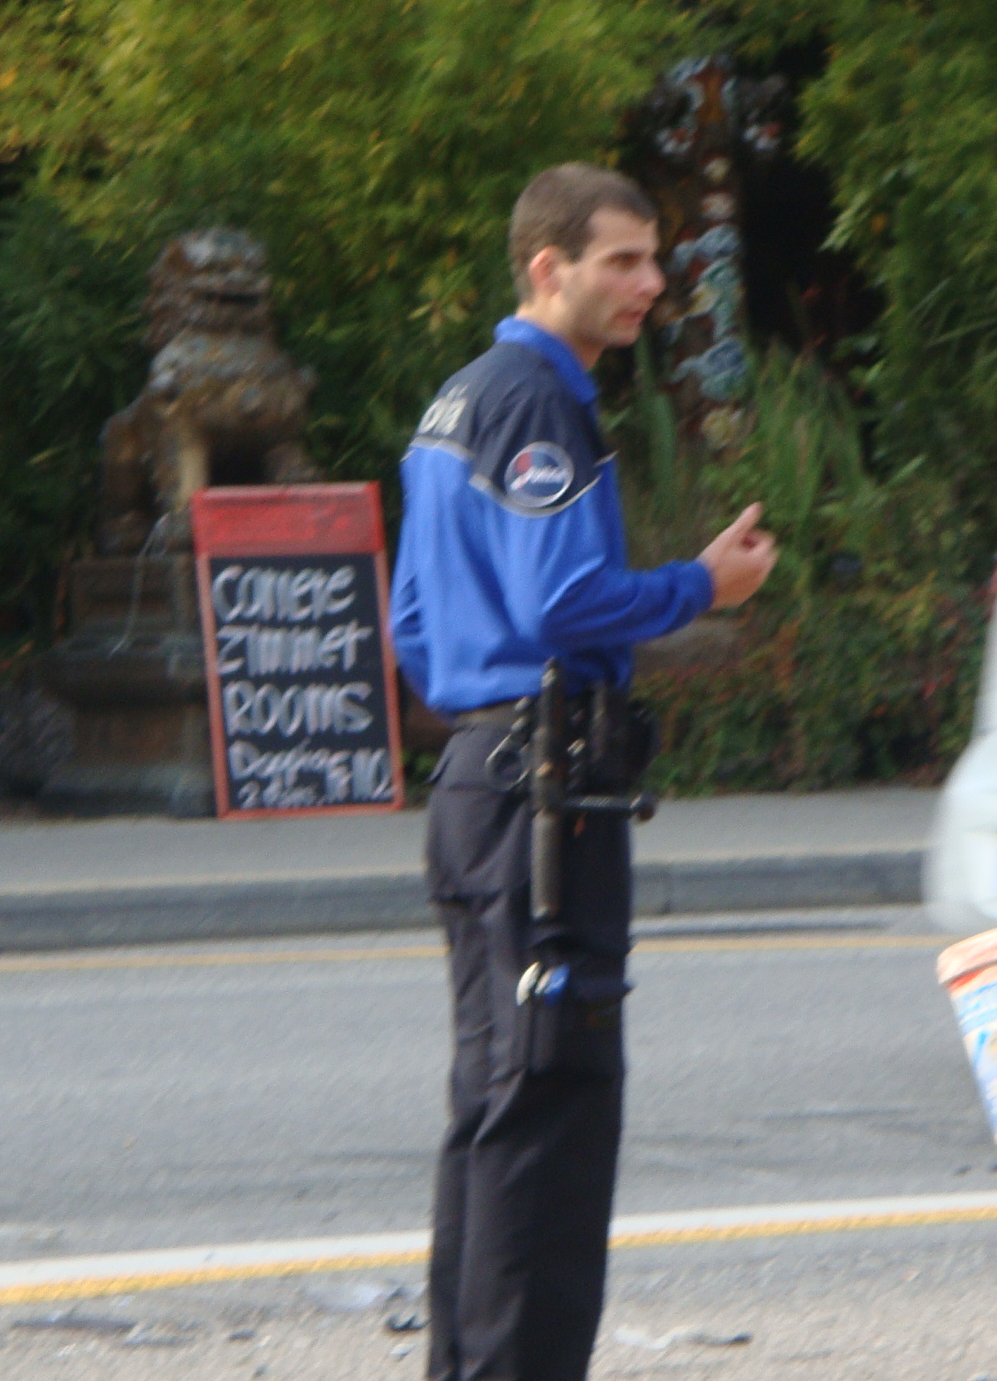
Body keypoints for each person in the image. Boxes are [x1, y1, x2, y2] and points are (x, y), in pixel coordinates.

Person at [391, 163, 777, 1381]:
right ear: (545, 267)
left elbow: (410, 623)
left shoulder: (458, 400)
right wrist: (696, 587)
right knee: (550, 1117)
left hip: (476, 779)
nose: (652, 286)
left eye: (653, 261)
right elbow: (564, 602)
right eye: (621, 262)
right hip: (540, 794)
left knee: (494, 1109)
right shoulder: (538, 405)